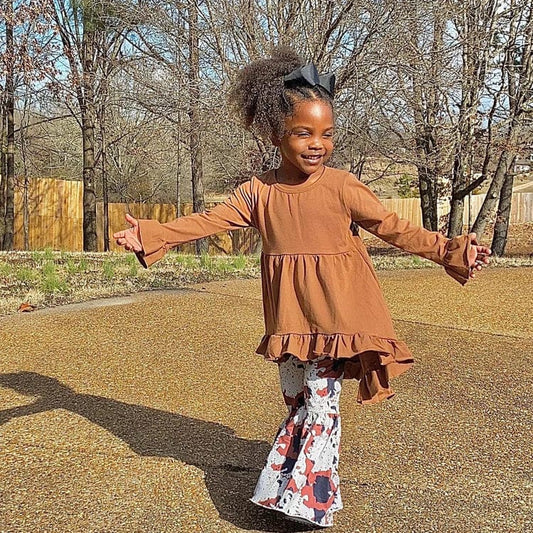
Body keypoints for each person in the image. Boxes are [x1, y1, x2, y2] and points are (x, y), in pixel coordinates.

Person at [113, 47, 490, 528]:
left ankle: (311, 502)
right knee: (297, 398)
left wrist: (451, 250)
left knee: (320, 398)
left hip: (337, 314)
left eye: (327, 134)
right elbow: (207, 222)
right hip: (290, 319)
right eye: (304, 133)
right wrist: (150, 234)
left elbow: (394, 227)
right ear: (275, 134)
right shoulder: (259, 192)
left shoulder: (341, 186)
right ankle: (280, 486)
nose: (318, 144)